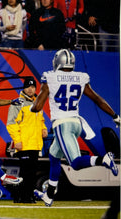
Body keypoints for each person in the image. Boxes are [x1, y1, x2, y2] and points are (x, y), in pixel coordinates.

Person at [31, 49, 120, 207]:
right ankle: (49, 195)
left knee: (76, 163)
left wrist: (32, 106)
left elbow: (37, 107)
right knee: (53, 156)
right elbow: (97, 99)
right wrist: (115, 116)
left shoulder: (50, 77)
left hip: (62, 125)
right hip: (76, 123)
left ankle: (103, 159)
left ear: (58, 61)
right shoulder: (80, 77)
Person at [6, 77, 48, 203]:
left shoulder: (37, 102)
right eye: (28, 86)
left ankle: (28, 196)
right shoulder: (18, 103)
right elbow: (11, 123)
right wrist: (17, 140)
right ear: (24, 88)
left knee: (32, 172)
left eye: (33, 87)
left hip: (35, 144)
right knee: (25, 172)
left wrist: (44, 129)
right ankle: (22, 197)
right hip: (23, 144)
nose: (30, 89)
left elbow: (41, 120)